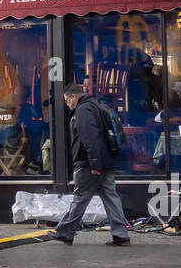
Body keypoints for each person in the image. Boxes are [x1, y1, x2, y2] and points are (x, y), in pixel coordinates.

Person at [45, 84, 131, 247]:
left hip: (90, 163)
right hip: (106, 160)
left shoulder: (83, 110)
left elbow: (90, 138)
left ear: (72, 97)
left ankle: (65, 232)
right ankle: (121, 235)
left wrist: (95, 164)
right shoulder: (97, 106)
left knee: (80, 197)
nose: (67, 104)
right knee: (111, 197)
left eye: (66, 100)